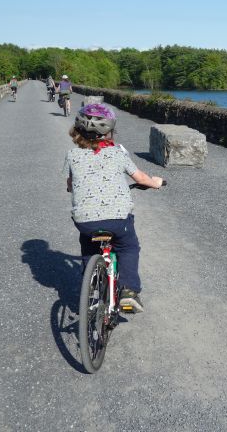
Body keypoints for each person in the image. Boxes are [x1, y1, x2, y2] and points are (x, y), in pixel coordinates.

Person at [62, 103, 164, 313]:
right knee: (128, 247)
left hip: (85, 221)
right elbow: (140, 178)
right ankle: (128, 292)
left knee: (89, 248)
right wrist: (156, 182)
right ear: (109, 131)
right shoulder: (117, 153)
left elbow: (70, 184)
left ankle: (89, 291)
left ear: (77, 130)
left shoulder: (72, 155)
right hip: (117, 219)